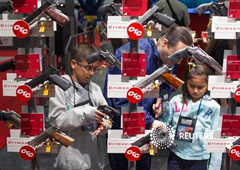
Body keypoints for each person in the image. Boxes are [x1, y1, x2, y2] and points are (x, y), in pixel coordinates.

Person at [105, 26, 193, 170]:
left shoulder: (167, 58)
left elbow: (164, 84)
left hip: (145, 127)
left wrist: (160, 98)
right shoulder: (132, 55)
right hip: (122, 128)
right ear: (164, 43)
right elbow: (121, 101)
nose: (178, 62)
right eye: (177, 56)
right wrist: (151, 122)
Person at [49, 43, 111, 170]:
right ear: (73, 64)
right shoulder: (60, 87)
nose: (91, 73)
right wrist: (86, 113)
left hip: (94, 156)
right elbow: (57, 122)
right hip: (69, 158)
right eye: (88, 68)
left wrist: (104, 124)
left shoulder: (95, 89)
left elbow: (108, 117)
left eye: (95, 69)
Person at [159, 64, 222, 170]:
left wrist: (214, 167)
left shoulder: (213, 107)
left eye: (200, 87)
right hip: (176, 155)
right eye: (192, 86)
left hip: (200, 159)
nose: (196, 90)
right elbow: (163, 123)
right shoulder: (175, 101)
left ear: (207, 85)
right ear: (186, 83)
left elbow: (216, 138)